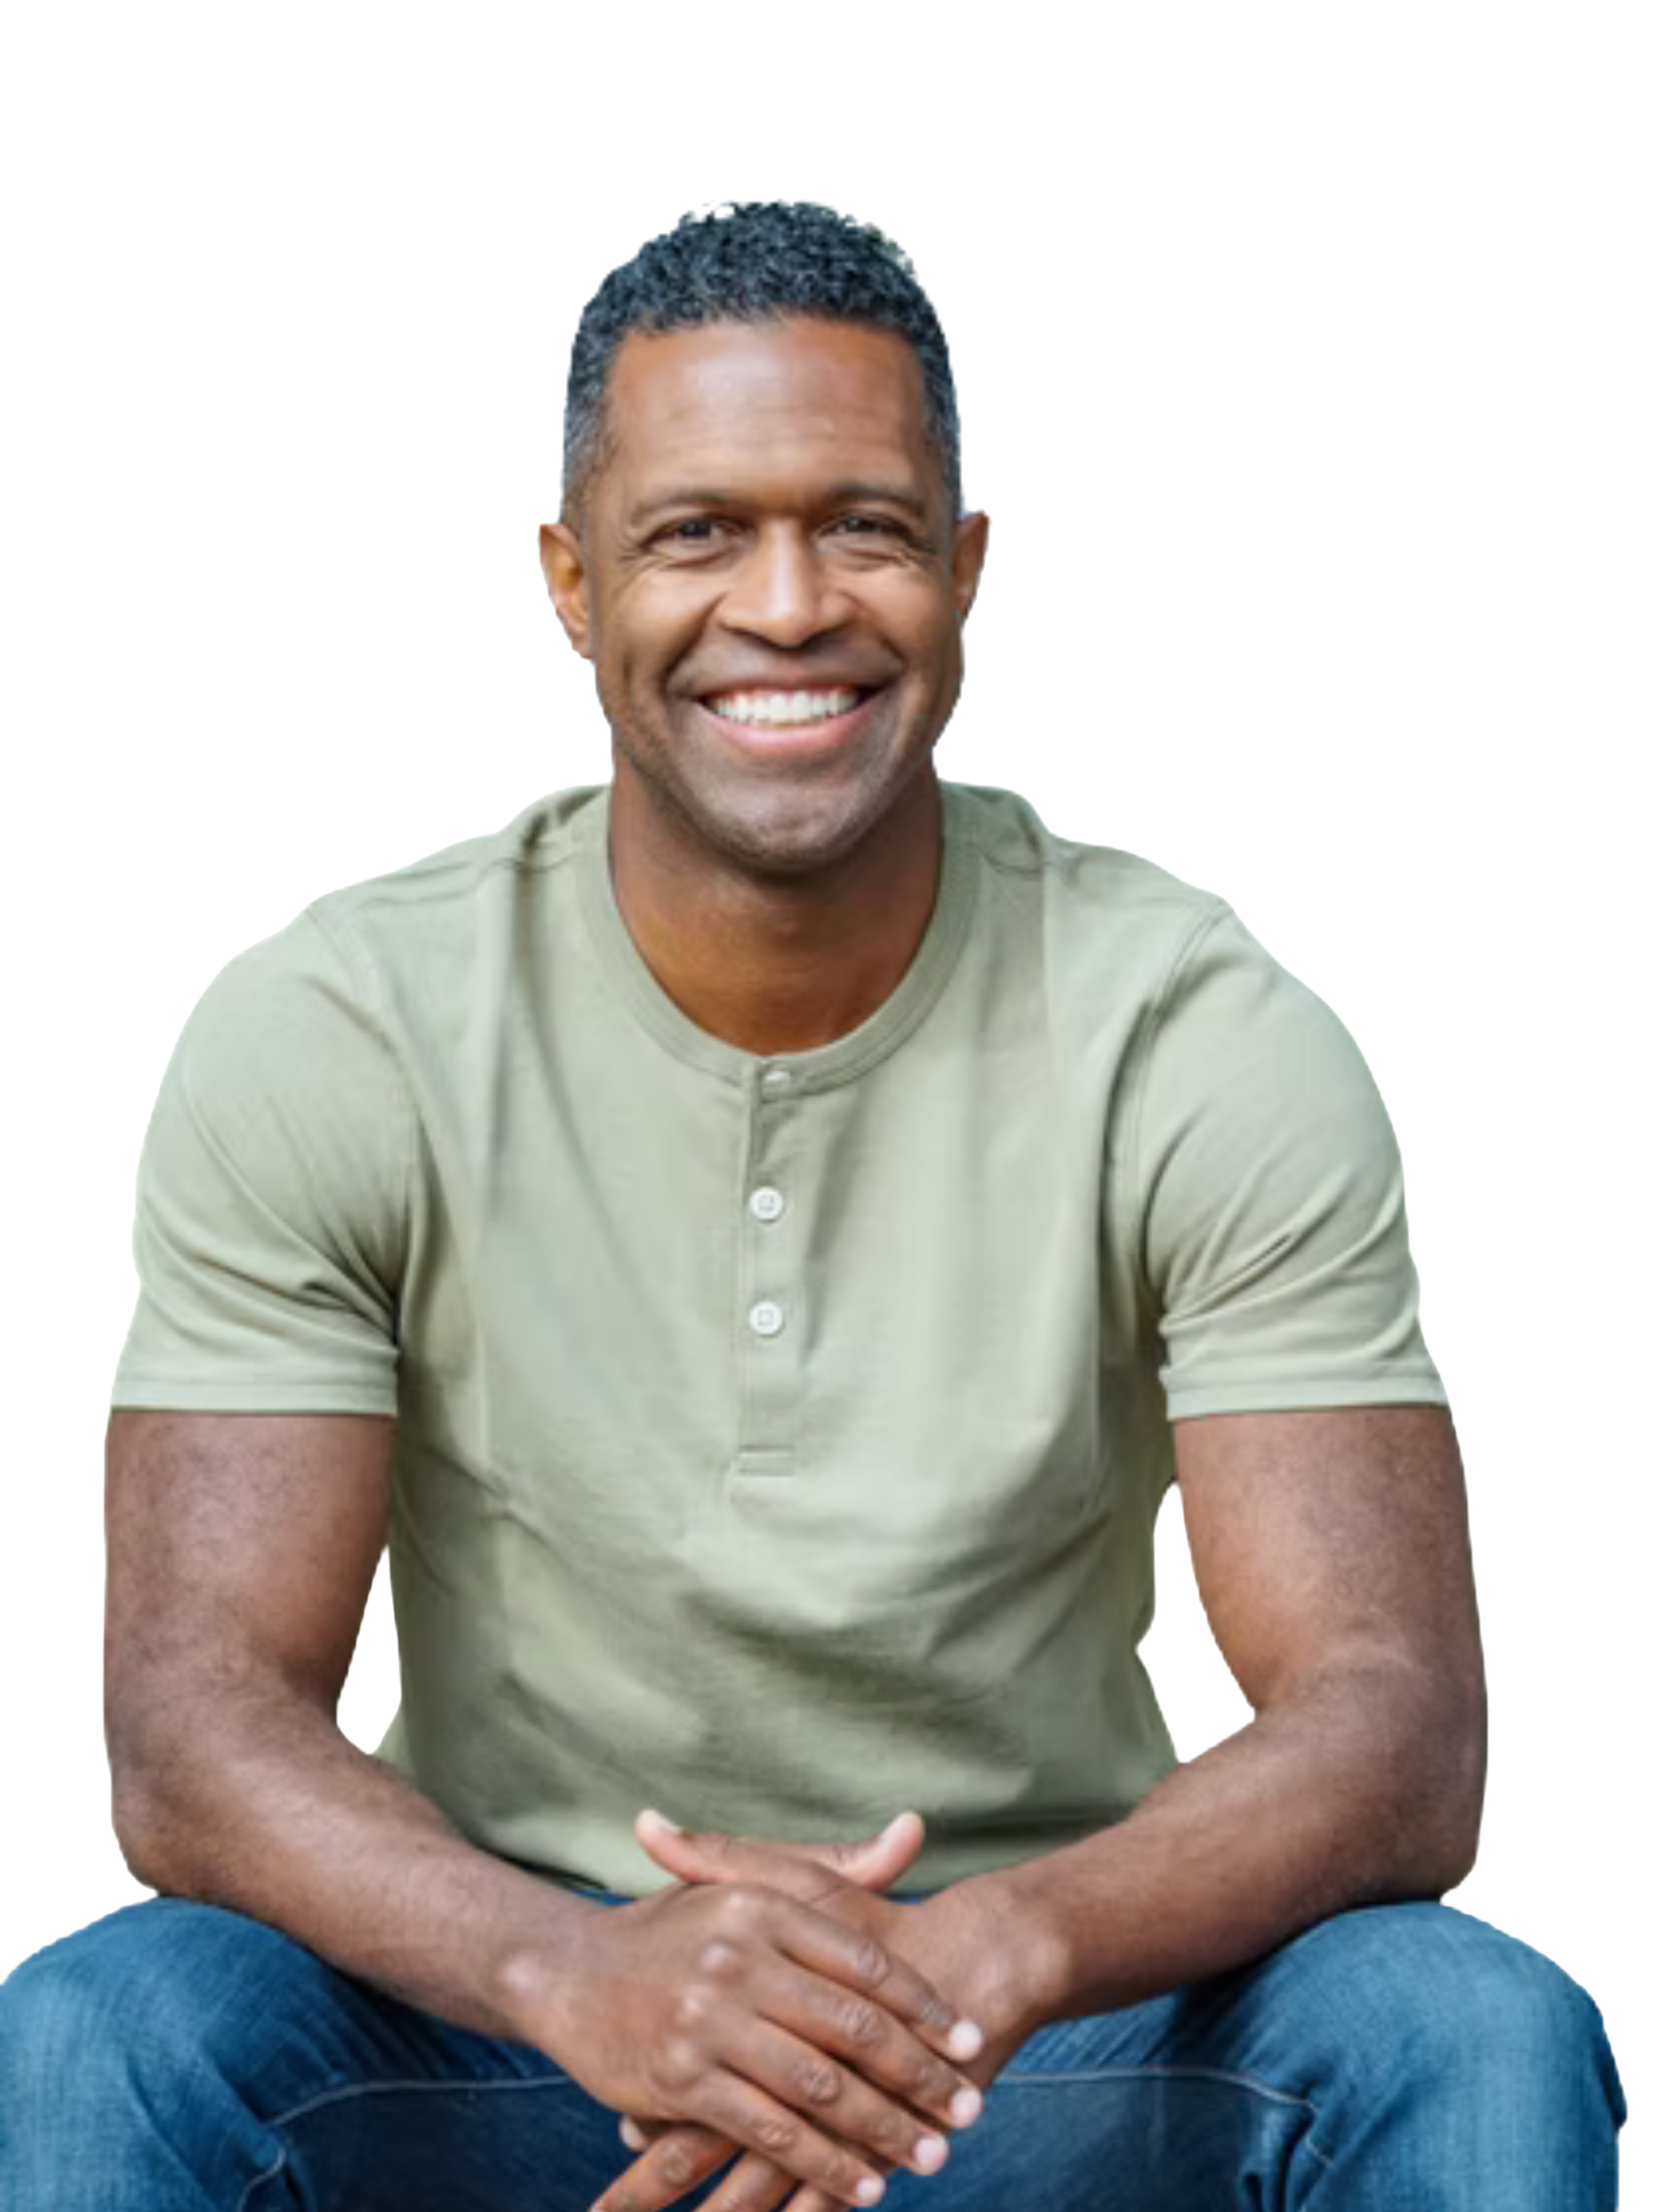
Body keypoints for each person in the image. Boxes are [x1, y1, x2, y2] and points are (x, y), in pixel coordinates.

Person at [3, 200, 1626, 2211]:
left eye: (860, 525)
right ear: (569, 587)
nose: (787, 601)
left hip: (1037, 2035)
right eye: (695, 533)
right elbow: (185, 1727)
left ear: (964, 574)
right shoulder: (338, 1022)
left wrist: (982, 1958)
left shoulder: (1192, 1023)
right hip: (516, 2035)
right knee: (96, 2025)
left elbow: (1391, 1719)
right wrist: (574, 1965)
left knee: (1460, 2019)